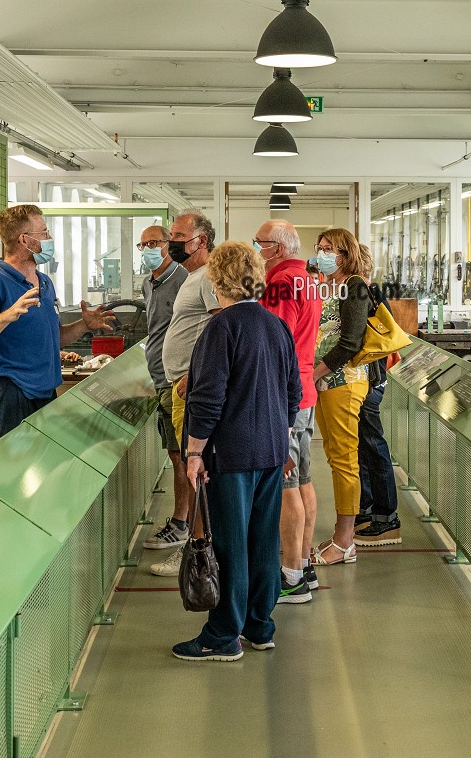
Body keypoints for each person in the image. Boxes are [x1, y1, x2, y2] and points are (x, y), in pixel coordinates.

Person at [171, 242, 300, 662]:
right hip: (270, 450)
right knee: (263, 541)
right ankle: (260, 625)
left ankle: (224, 634)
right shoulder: (274, 325)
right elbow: (292, 392)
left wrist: (194, 453)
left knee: (229, 544)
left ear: (216, 278)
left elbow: (208, 398)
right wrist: (281, 439)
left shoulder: (221, 328)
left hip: (231, 455)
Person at [0, 204, 114, 443]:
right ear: (25, 240)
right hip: (11, 394)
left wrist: (84, 325)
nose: (49, 239)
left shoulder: (44, 283)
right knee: (12, 471)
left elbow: (53, 338)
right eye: (44, 233)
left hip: (45, 393)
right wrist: (8, 314)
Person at [254, 219, 323, 603]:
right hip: (305, 390)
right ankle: (304, 563)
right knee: (305, 480)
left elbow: (275, 342)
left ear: (278, 248)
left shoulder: (280, 283)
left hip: (285, 396)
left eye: (260, 243)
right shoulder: (307, 279)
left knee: (286, 486)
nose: (257, 250)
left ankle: (291, 576)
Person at [151, 209, 221, 578]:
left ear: (201, 241)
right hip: (181, 386)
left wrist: (195, 375)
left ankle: (198, 553)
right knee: (190, 467)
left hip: (189, 389)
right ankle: (199, 546)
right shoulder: (194, 277)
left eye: (178, 236)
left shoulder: (208, 277)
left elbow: (221, 325)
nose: (171, 243)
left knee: (195, 470)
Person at [310, 228, 370, 566]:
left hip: (344, 382)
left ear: (345, 254)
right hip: (323, 384)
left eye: (328, 248)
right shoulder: (326, 284)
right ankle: (339, 534)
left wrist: (315, 373)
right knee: (335, 457)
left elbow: (350, 342)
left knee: (345, 460)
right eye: (319, 248)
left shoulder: (355, 287)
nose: (321, 253)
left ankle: (346, 541)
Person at [136, 224, 190, 553]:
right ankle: (184, 522)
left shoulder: (184, 280)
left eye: (153, 242)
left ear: (168, 244)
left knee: (184, 455)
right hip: (159, 378)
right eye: (143, 245)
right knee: (175, 453)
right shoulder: (147, 283)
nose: (147, 249)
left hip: (178, 382)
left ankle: (184, 525)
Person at [354, 245, 401, 546]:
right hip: (367, 379)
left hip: (371, 380)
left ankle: (387, 517)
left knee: (372, 444)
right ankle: (368, 507)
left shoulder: (364, 293)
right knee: (363, 447)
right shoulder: (364, 291)